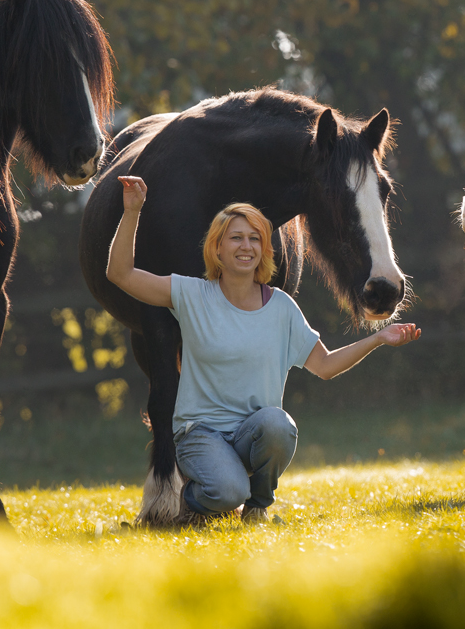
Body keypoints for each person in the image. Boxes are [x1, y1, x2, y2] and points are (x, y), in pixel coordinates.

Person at [106, 176, 421, 524]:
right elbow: (120, 274)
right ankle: (191, 503)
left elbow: (326, 365)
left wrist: (378, 338)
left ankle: (257, 507)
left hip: (251, 434)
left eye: (255, 238)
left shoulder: (282, 308)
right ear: (218, 248)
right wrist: (132, 211)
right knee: (228, 492)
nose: (246, 246)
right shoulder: (191, 294)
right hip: (201, 434)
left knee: (278, 424)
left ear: (264, 249)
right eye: (236, 238)